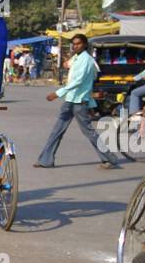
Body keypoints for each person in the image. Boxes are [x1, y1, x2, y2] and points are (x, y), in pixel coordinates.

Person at [35, 34, 123, 169]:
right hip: (70, 99)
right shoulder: (76, 58)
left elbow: (78, 81)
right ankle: (46, 160)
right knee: (57, 130)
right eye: (74, 44)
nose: (75, 46)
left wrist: (58, 93)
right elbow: (67, 64)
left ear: (85, 45)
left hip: (79, 101)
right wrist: (64, 63)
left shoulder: (87, 60)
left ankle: (110, 158)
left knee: (88, 131)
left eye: (78, 44)